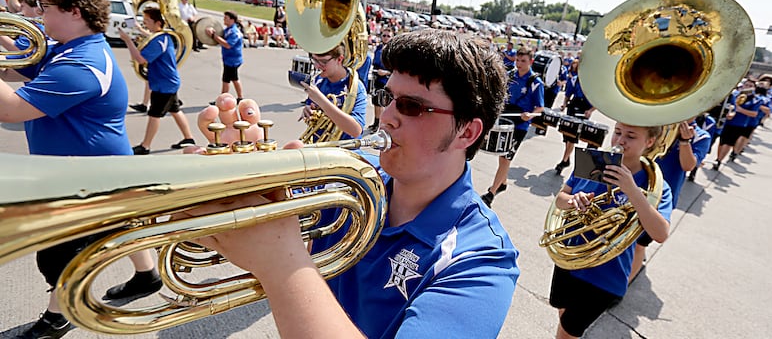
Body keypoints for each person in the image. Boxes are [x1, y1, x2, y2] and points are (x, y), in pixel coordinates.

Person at [181, 29, 519, 338]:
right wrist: (234, 192)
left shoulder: (483, 260)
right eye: (388, 98)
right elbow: (254, 230)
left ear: (467, 132)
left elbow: (281, 256)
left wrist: (280, 262)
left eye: (411, 106)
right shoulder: (351, 179)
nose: (385, 117)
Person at [1, 0, 161, 339]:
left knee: (59, 254)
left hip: (86, 178)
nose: (39, 16)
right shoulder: (68, 48)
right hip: (95, 168)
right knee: (124, 225)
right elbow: (21, 69)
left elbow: (8, 109)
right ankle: (147, 276)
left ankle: (60, 316)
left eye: (45, 7)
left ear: (74, 11)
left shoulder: (81, 65)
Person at [550, 122, 672, 339]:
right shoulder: (594, 162)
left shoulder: (655, 185)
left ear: (649, 141)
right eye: (617, 133)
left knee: (567, 332)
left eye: (631, 136)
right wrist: (573, 201)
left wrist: (632, 191)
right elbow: (560, 199)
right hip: (570, 259)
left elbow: (661, 233)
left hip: (606, 273)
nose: (620, 140)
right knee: (564, 318)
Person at [629, 118, 710, 282]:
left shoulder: (701, 136)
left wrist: (685, 141)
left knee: (639, 244)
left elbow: (688, 166)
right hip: (632, 185)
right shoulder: (657, 125)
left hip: (659, 196)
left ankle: (624, 284)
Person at [120, 7, 196, 154]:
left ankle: (145, 146)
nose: (145, 24)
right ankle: (189, 138)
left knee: (154, 115)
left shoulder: (158, 41)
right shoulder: (163, 36)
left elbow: (141, 59)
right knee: (175, 110)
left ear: (157, 22)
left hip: (164, 85)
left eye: (147, 21)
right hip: (169, 82)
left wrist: (128, 41)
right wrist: (138, 29)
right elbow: (150, 36)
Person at [482, 47, 544, 207]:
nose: (519, 64)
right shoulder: (510, 76)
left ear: (531, 61)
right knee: (503, 156)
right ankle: (502, 183)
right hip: (505, 120)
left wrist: (530, 114)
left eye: (523, 61)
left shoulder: (535, 82)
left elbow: (540, 108)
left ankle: (491, 193)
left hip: (520, 126)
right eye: (517, 60)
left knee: (505, 157)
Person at [300, 43, 366, 141]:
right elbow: (312, 106)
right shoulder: (318, 80)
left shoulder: (355, 87)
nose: (317, 66)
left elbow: (356, 130)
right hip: (319, 144)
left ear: (339, 59)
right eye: (314, 60)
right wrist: (308, 109)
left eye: (323, 61)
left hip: (345, 149)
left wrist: (322, 101)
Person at [555, 58, 595, 175]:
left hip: (584, 109)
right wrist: (564, 104)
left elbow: (598, 102)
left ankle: (564, 160)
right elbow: (568, 93)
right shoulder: (574, 80)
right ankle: (566, 159)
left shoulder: (592, 84)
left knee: (572, 137)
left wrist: (590, 110)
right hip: (573, 107)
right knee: (568, 136)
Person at [205, 10, 245, 103]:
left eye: (226, 18)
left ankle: (222, 100)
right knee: (234, 79)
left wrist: (213, 36)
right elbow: (220, 37)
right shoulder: (228, 30)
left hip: (232, 60)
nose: (224, 19)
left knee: (226, 80)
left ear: (232, 20)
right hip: (229, 59)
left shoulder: (234, 32)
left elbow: (227, 44)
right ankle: (239, 98)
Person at [369, 27, 394, 131]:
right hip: (377, 78)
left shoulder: (393, 50)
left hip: (387, 80)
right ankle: (375, 122)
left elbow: (395, 69)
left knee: (384, 103)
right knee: (376, 102)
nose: (386, 38)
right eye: (384, 35)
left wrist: (386, 72)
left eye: (388, 36)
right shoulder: (379, 48)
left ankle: (381, 124)